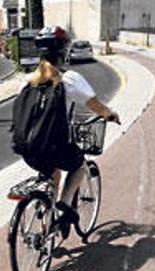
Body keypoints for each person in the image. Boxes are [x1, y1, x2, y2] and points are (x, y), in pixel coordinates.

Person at [24, 26, 120, 238]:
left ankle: (48, 223)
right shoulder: (68, 79)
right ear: (63, 52)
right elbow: (96, 106)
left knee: (53, 171)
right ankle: (64, 204)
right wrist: (110, 114)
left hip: (28, 147)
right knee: (79, 164)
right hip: (56, 146)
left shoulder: (30, 79)